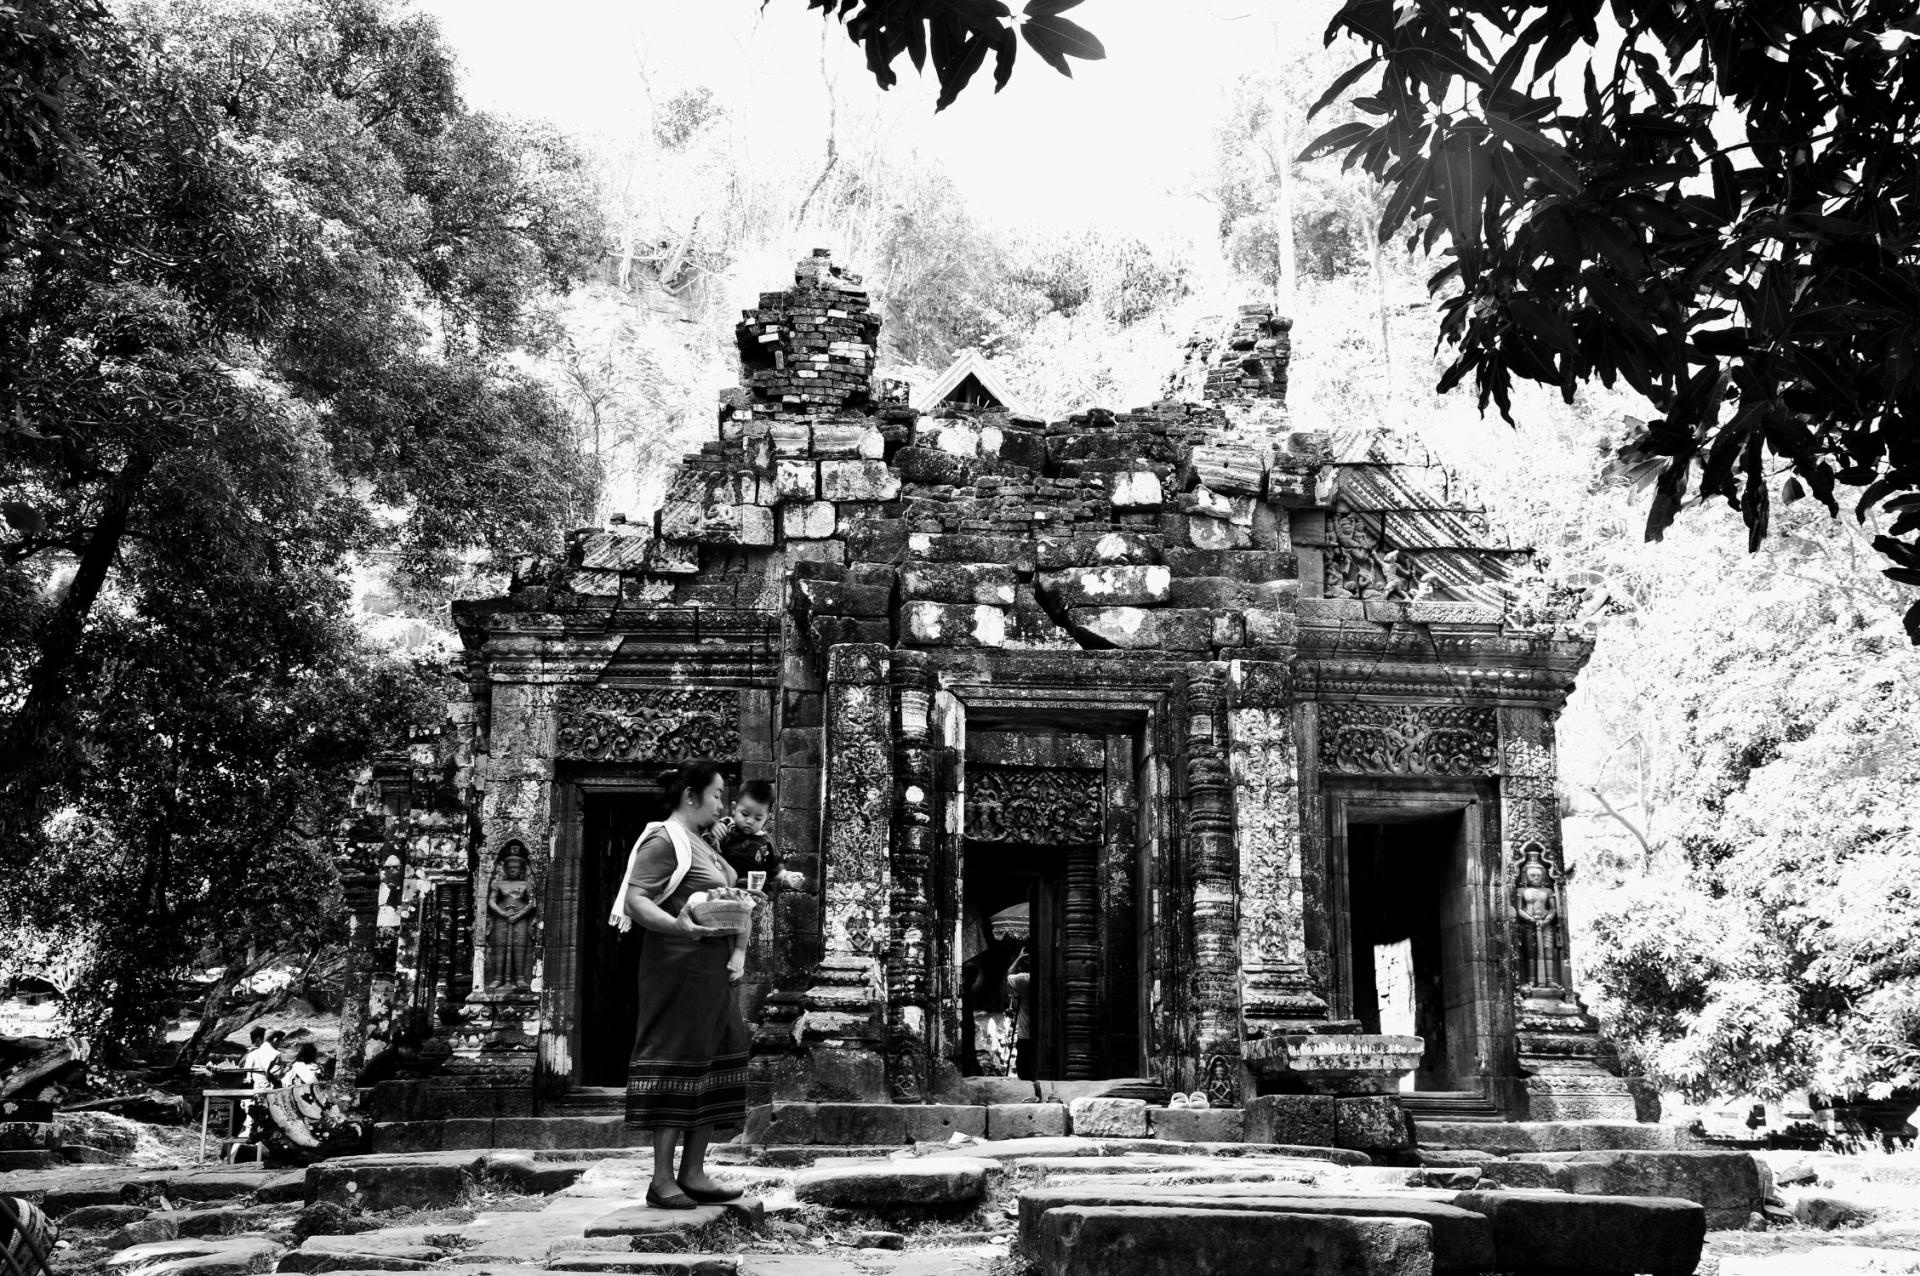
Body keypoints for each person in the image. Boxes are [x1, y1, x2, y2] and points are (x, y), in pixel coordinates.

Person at [616, 760, 750, 1211]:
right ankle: (660, 1179)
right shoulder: (664, 839)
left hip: (713, 970)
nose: (722, 804)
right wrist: (679, 927)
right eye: (716, 795)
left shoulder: (706, 843)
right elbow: (636, 900)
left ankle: (693, 1171)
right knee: (677, 1056)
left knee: (718, 1053)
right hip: (678, 965)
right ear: (691, 795)